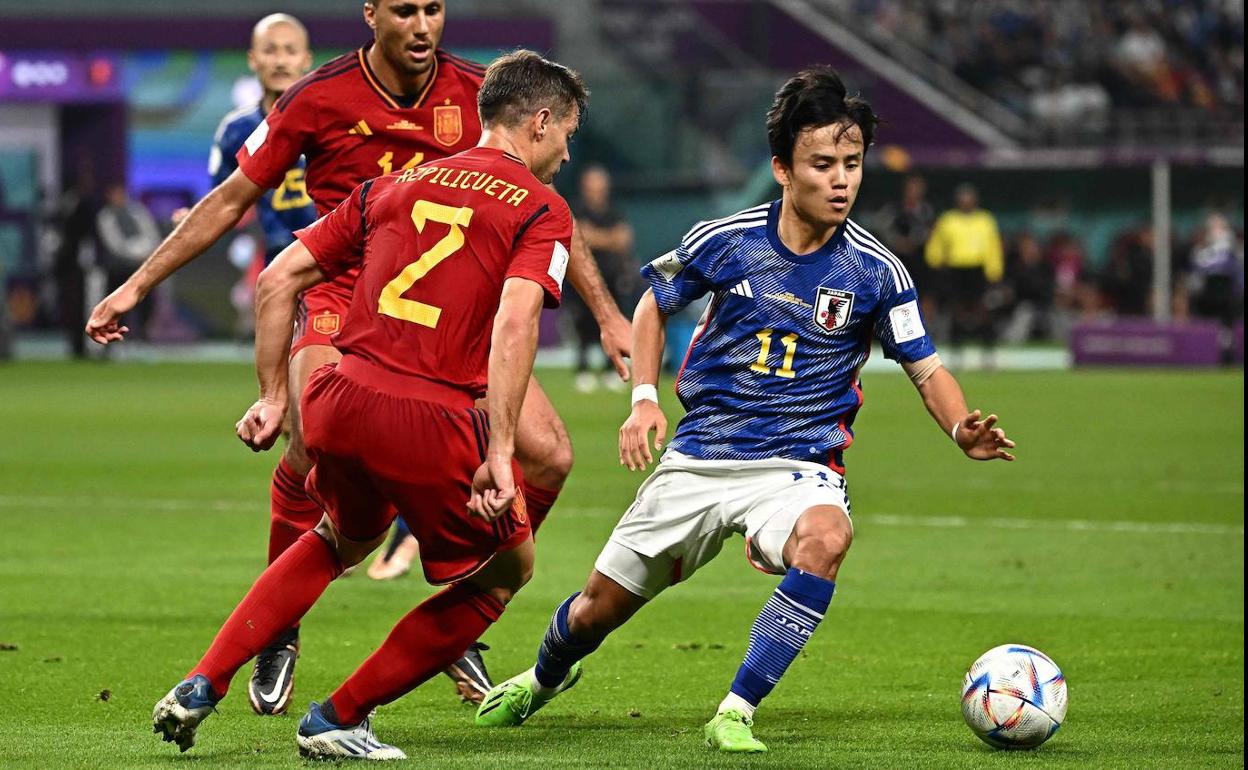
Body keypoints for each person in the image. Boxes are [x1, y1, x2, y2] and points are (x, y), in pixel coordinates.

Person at [86, 0, 631, 713]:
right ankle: (288, 634)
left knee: (549, 454)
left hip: (442, 306)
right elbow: (230, 202)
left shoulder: (482, 92)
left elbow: (541, 211)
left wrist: (610, 313)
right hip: (341, 286)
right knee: (312, 448)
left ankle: (458, 590)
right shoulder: (319, 97)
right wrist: (141, 286)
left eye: (434, 9)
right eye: (405, 10)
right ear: (371, 15)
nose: (422, 26)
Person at [474, 67, 1015, 753]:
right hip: (700, 459)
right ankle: (544, 678)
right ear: (783, 168)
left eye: (852, 163)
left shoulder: (878, 272)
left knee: (826, 539)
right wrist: (643, 400)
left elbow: (926, 366)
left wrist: (961, 425)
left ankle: (737, 706)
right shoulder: (726, 240)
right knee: (593, 612)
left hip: (798, 466)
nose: (842, 180)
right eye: (823, 164)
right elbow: (650, 305)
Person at [207, 14, 318, 268]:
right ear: (252, 59)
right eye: (270, 51)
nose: (280, 61)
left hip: (330, 263)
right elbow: (220, 201)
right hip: (268, 262)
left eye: (290, 51)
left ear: (306, 59)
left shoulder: (334, 123)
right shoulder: (235, 131)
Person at [568, 164, 639, 392]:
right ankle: (583, 368)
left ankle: (613, 369)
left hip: (612, 276)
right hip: (584, 277)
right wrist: (607, 238)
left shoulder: (614, 211)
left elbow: (624, 238)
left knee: (615, 319)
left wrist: (595, 237)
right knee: (584, 323)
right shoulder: (577, 209)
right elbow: (579, 237)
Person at [924, 183, 1004, 364]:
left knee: (984, 310)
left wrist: (994, 270)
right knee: (956, 311)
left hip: (978, 270)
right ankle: (956, 350)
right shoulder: (948, 220)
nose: (966, 202)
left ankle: (988, 351)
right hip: (955, 270)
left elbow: (993, 246)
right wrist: (935, 260)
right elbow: (936, 243)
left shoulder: (985, 220)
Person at [95, 183, 162, 339]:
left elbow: (151, 233)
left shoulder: (137, 211)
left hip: (141, 268)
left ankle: (142, 337)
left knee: (146, 304)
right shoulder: (106, 216)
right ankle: (116, 339)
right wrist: (135, 252)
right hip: (118, 269)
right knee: (118, 306)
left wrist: (145, 251)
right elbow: (114, 243)